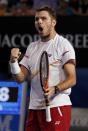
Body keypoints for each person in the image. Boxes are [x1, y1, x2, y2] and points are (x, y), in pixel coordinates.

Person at [9, 6, 76, 131]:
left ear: (53, 22)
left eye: (44, 18)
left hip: (57, 107)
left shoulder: (63, 45)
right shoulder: (32, 47)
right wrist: (13, 62)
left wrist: (54, 89)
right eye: (36, 19)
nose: (39, 21)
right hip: (34, 109)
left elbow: (72, 79)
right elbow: (20, 78)